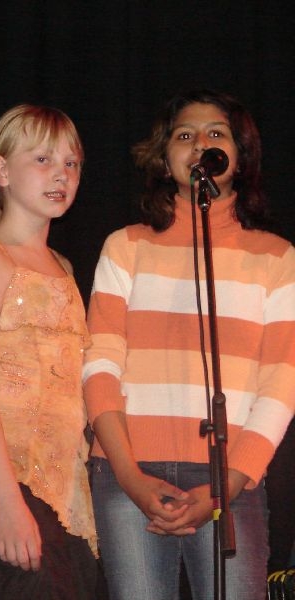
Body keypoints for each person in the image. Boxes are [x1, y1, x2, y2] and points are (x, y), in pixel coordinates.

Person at [83, 89, 295, 599]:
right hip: (128, 472)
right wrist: (129, 476)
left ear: (239, 156)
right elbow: (99, 364)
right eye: (184, 135)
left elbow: (282, 381)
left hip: (230, 475)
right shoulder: (125, 246)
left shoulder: (277, 258)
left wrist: (232, 482)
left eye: (215, 134)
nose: (200, 142)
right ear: (164, 158)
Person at [0, 104, 98, 599]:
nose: (61, 174)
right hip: (8, 474)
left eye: (71, 163)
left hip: (61, 481)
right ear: (2, 170)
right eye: (43, 159)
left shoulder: (64, 269)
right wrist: (8, 502)